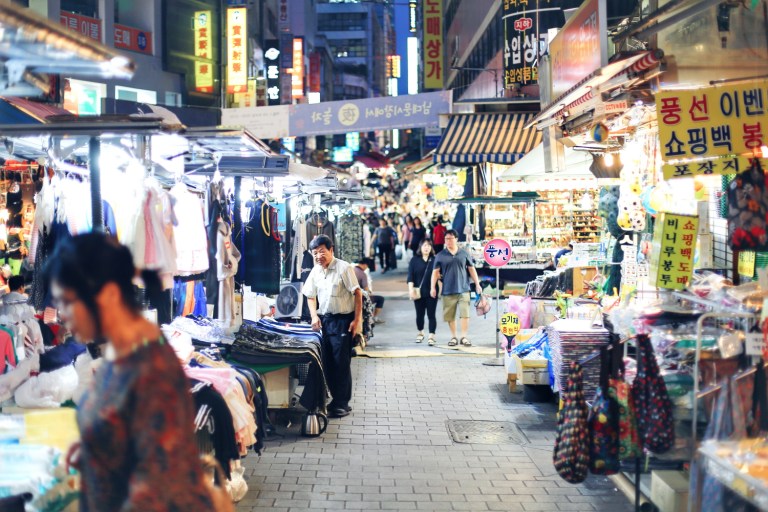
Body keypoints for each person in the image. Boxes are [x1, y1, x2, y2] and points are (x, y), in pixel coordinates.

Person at [45, 233, 213, 511]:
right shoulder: (123, 350)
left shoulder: (146, 365)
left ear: (109, 294)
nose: (62, 313)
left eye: (68, 301)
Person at [303, 235, 363, 418]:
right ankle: (338, 400)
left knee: (341, 363)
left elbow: (357, 293)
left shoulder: (344, 268)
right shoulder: (316, 271)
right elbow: (310, 295)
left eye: (322, 251)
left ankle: (341, 403)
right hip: (326, 321)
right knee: (328, 362)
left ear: (331, 250)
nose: (319, 255)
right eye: (315, 253)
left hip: (343, 321)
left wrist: (356, 321)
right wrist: (314, 315)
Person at [430, 229, 482, 348]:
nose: (449, 241)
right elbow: (435, 273)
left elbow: (471, 269)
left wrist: (477, 284)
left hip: (464, 288)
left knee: (465, 314)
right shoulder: (440, 256)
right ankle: (453, 337)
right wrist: (432, 287)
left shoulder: (464, 253)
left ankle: (464, 337)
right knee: (450, 316)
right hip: (447, 290)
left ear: (456, 239)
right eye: (446, 239)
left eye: (451, 238)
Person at [408, 240, 438, 346]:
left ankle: (431, 335)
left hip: (432, 292)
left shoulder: (435, 260)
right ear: (420, 247)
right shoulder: (414, 260)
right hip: (418, 292)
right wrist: (410, 290)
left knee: (431, 314)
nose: (427, 248)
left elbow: (441, 275)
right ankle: (420, 332)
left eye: (429, 246)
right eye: (425, 245)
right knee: (419, 315)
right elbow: (410, 277)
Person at [354, 258, 386, 324]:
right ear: (365, 265)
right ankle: (373, 317)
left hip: (351, 296)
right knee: (380, 299)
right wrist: (369, 293)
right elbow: (366, 290)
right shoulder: (362, 274)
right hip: (359, 298)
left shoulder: (352, 269)